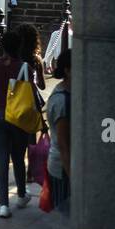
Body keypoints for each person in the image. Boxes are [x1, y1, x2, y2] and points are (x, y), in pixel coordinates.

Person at [0, 27, 46, 218]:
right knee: (18, 156)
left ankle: (3, 205)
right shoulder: (25, 68)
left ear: (2, 46)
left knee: (2, 158)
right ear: (18, 47)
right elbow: (33, 94)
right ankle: (21, 194)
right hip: (17, 116)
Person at [44, 24, 71, 213]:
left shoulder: (62, 92)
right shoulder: (62, 101)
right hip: (62, 167)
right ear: (68, 70)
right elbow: (64, 144)